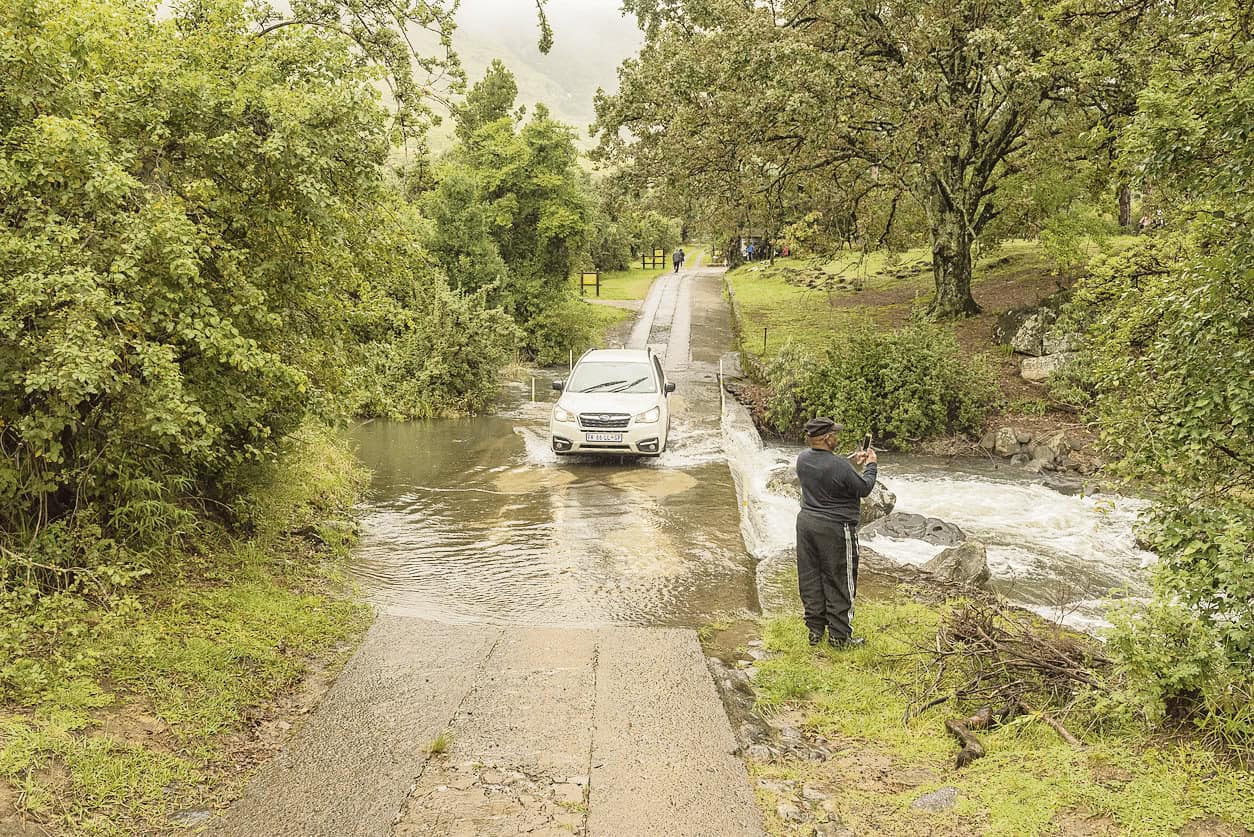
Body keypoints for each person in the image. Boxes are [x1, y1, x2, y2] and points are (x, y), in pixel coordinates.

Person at [794, 417, 878, 648]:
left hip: (806, 524)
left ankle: (815, 631)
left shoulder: (803, 459)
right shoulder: (838, 466)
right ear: (827, 438)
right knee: (840, 579)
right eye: (835, 434)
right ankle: (840, 637)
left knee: (811, 578)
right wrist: (871, 465)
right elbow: (864, 488)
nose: (837, 437)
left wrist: (851, 462)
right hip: (835, 528)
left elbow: (829, 471)